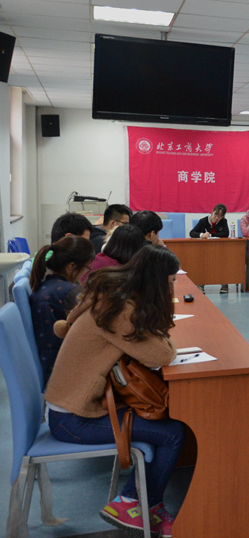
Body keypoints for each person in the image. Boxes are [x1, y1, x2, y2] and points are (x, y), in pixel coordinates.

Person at [45, 246, 185, 537]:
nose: (173, 287)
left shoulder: (110, 297)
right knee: (172, 433)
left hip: (70, 407)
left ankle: (145, 503)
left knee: (164, 426)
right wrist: (162, 334)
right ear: (158, 281)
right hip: (73, 419)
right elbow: (161, 354)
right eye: (172, 281)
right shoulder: (120, 311)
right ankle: (132, 502)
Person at [29, 236, 94, 385]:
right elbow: (93, 324)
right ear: (71, 266)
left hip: (49, 363)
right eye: (86, 268)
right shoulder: (71, 293)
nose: (85, 273)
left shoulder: (44, 286)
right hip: (63, 370)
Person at [190, 204, 231, 293]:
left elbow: (226, 233)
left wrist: (211, 235)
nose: (217, 218)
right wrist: (201, 235)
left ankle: (224, 284)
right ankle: (200, 284)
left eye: (220, 216)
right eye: (216, 214)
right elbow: (192, 233)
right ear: (212, 211)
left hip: (219, 249)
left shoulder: (223, 221)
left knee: (223, 261)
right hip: (204, 249)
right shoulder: (203, 221)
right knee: (202, 263)